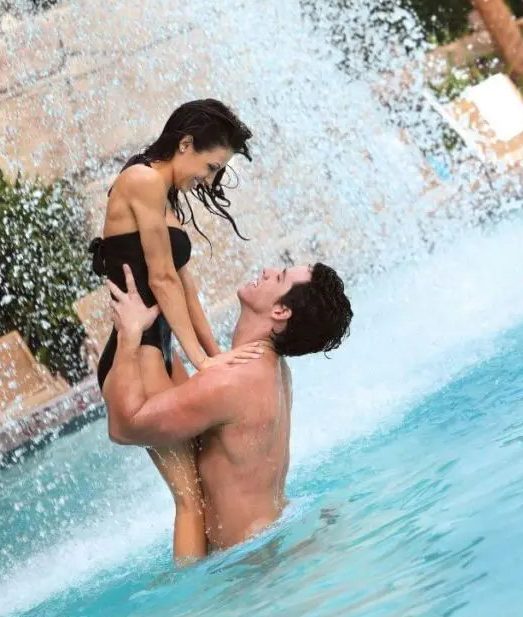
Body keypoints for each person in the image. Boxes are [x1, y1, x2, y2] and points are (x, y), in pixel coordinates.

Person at [90, 99, 259, 562]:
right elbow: (160, 278)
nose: (208, 179)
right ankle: (192, 608)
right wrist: (203, 361)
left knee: (209, 469)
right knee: (189, 499)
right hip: (137, 351)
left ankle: (235, 568)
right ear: (185, 143)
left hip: (162, 351)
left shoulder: (165, 194)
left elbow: (186, 285)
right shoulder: (141, 180)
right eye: (209, 166)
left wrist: (213, 354)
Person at [104, 259, 353, 554]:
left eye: (280, 276)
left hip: (244, 567)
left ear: (280, 311)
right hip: (271, 539)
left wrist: (129, 334)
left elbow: (122, 428)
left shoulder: (232, 382)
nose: (268, 270)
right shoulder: (271, 370)